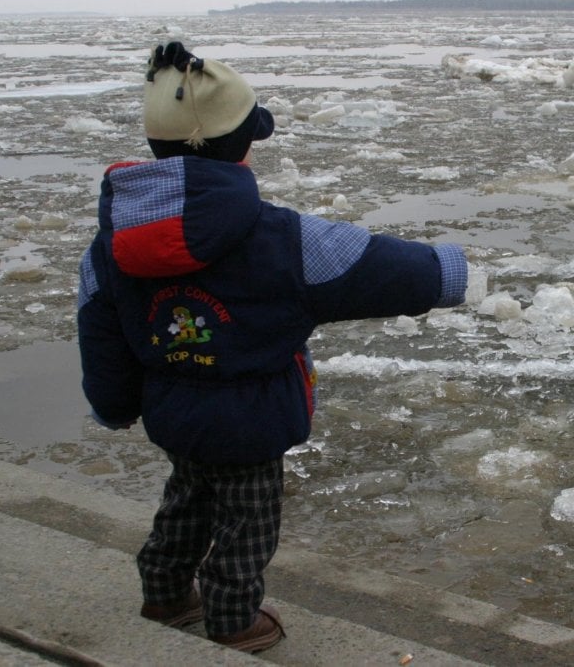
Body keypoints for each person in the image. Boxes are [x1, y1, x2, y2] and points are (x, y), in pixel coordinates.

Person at [77, 42, 468, 653]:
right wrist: (447, 274)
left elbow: (99, 327)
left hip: (175, 411)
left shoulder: (115, 243)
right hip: (254, 418)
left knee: (185, 499)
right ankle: (233, 621)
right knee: (247, 522)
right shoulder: (282, 238)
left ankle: (165, 591)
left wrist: (114, 404)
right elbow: (370, 265)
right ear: (241, 147)